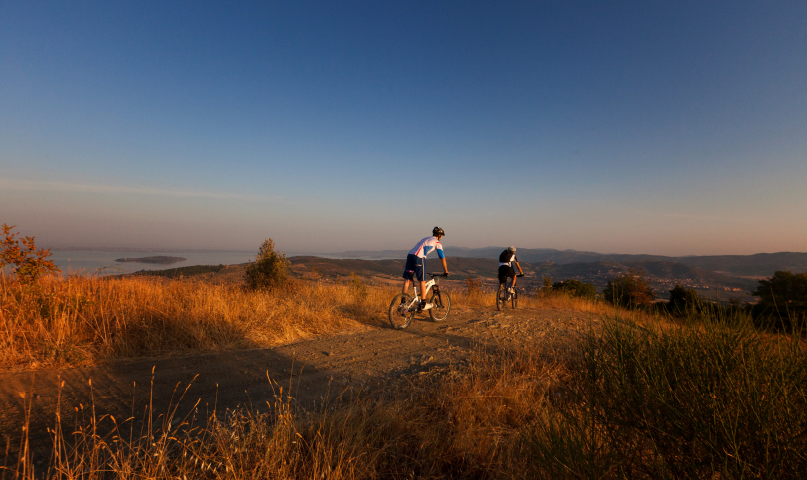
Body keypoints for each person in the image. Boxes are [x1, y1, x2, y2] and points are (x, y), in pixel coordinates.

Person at [402, 227, 450, 310]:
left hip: (410, 256)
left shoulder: (426, 238)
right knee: (422, 281)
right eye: (441, 236)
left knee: (407, 280)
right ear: (439, 235)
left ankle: (402, 303)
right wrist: (446, 271)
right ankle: (423, 303)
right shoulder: (437, 242)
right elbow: (442, 258)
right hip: (419, 257)